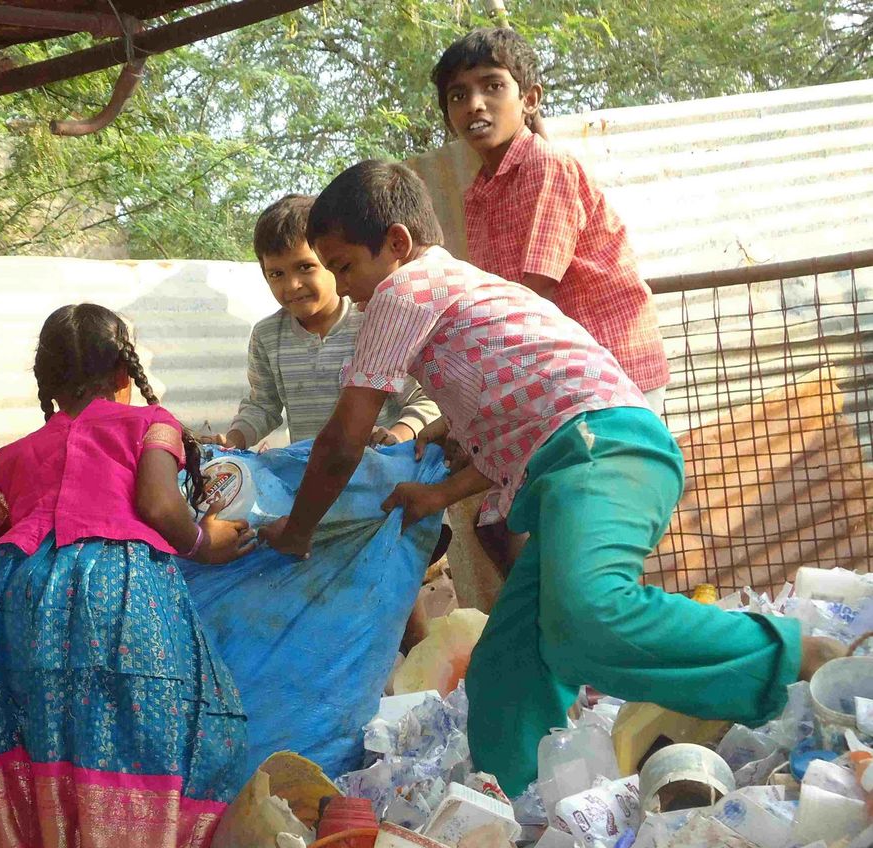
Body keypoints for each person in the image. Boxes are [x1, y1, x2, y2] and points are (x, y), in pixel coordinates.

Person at [258, 159, 837, 797]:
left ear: (396, 244)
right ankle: (519, 808)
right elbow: (514, 427)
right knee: (511, 671)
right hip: (574, 458)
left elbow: (342, 439)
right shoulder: (457, 298)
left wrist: (298, 529)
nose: (346, 288)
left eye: (343, 267)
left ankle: (795, 657)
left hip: (603, 448)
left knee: (591, 613)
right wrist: (441, 494)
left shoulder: (405, 289)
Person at [0, 303, 253, 848]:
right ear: (122, 372)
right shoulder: (150, 425)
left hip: (14, 606)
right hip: (119, 598)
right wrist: (206, 544)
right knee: (142, 752)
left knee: (29, 771)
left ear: (47, 382)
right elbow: (163, 508)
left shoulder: (10, 458)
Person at [432, 27, 670, 412]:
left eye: (492, 87)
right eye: (458, 95)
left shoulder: (547, 166)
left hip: (613, 370)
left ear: (529, 99)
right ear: (448, 116)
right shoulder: (478, 193)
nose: (474, 104)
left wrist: (476, 382)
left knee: (607, 472)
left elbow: (534, 290)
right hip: (563, 372)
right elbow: (498, 296)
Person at [208, 194, 439, 451]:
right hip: (313, 474)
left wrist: (398, 435)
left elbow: (424, 400)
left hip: (381, 467)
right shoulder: (267, 336)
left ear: (334, 262)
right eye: (276, 274)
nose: (292, 285)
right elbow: (262, 407)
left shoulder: (376, 323)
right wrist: (234, 440)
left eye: (305, 267)